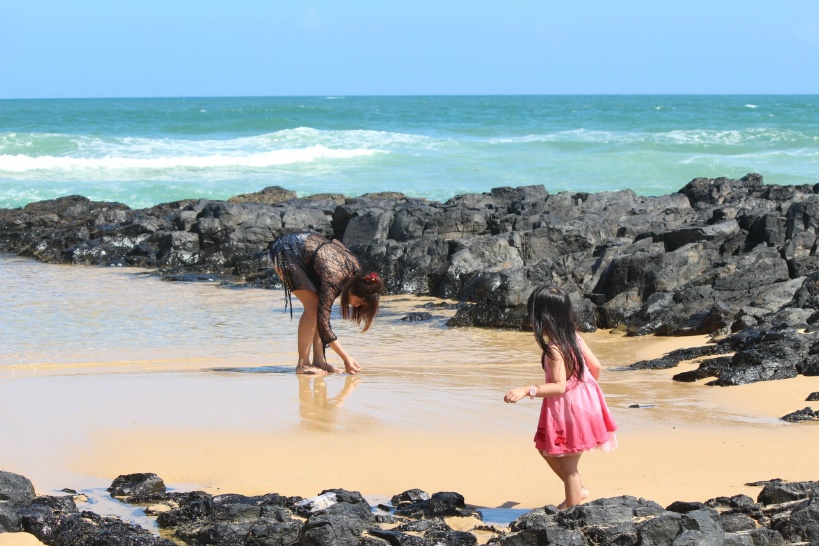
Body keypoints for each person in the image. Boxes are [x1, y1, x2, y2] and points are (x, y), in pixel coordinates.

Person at [504, 285, 618, 509]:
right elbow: (596, 367)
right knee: (545, 448)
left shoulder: (555, 349)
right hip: (587, 405)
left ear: (542, 317)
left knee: (569, 468)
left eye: (532, 312)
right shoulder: (574, 337)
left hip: (569, 411)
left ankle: (571, 511)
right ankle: (578, 491)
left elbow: (558, 387)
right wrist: (584, 389)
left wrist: (527, 389)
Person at [268, 232, 383, 375]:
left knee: (317, 308)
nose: (357, 306)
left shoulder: (355, 272)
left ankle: (319, 361)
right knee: (313, 307)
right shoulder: (335, 279)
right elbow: (323, 322)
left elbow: (336, 243)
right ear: (354, 291)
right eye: (359, 302)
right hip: (287, 250)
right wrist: (345, 357)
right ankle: (303, 363)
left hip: (305, 249)